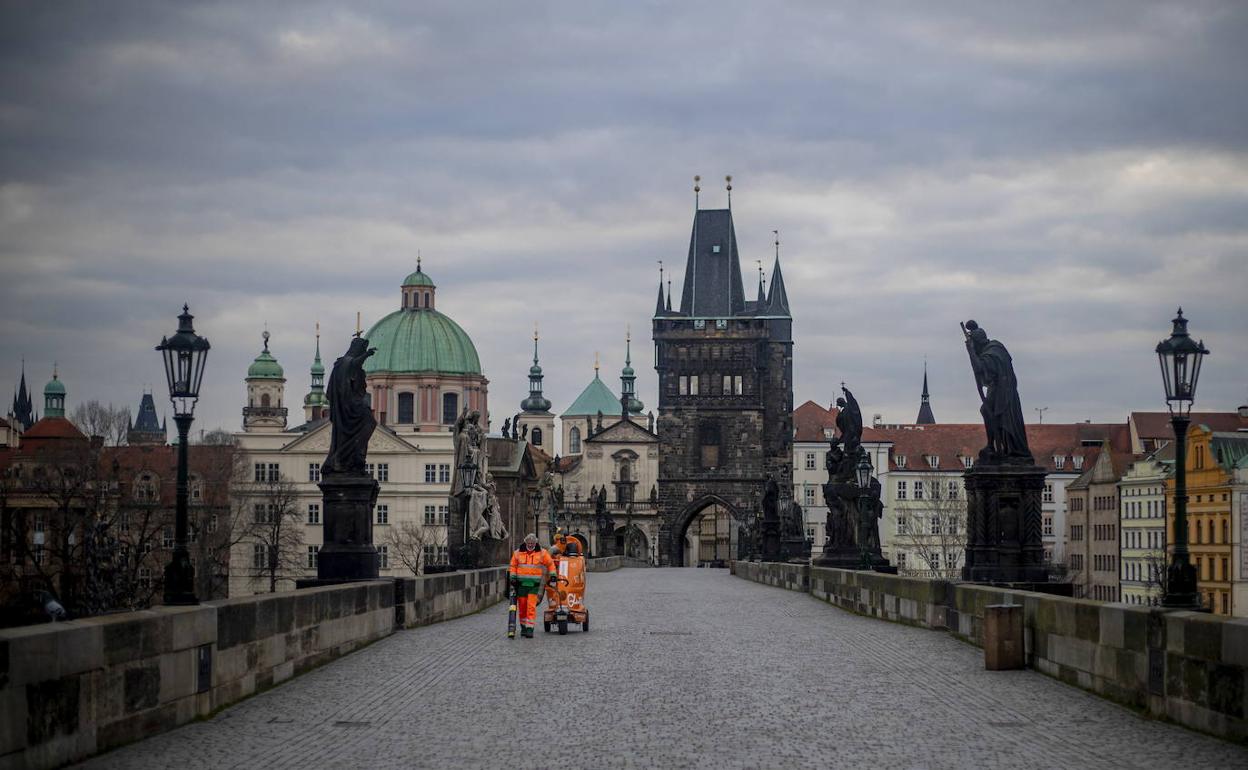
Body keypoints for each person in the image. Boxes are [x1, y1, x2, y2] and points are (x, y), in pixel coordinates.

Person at [509, 533, 557, 638]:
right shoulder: (518, 553)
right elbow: (513, 566)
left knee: (531, 606)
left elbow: (550, 564)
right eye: (529, 543)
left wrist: (553, 575)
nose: (530, 545)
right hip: (521, 585)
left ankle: (530, 628)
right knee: (522, 606)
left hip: (534, 585)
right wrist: (512, 577)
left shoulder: (542, 553)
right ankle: (523, 627)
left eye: (532, 543)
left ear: (536, 543)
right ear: (525, 542)